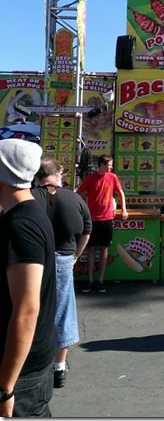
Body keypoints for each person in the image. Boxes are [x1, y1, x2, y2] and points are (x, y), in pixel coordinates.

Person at [0, 139, 57, 417]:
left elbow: (26, 310)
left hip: (21, 372)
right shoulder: (29, 212)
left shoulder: (21, 224)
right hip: (31, 361)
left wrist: (5, 387)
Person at [32, 157, 92, 389]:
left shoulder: (29, 197)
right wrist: (76, 255)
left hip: (34, 260)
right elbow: (87, 228)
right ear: (58, 175)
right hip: (63, 259)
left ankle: (33, 364)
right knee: (63, 311)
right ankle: (59, 367)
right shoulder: (74, 198)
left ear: (37, 176)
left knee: (31, 310)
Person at [77, 154, 128, 293]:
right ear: (101, 165)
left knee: (104, 249)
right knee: (91, 249)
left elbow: (120, 192)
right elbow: (79, 192)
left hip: (107, 218)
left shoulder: (113, 177)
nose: (111, 168)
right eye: (109, 166)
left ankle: (100, 280)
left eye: (111, 166)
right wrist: (86, 200)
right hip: (92, 219)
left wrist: (123, 208)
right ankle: (90, 280)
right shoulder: (90, 178)